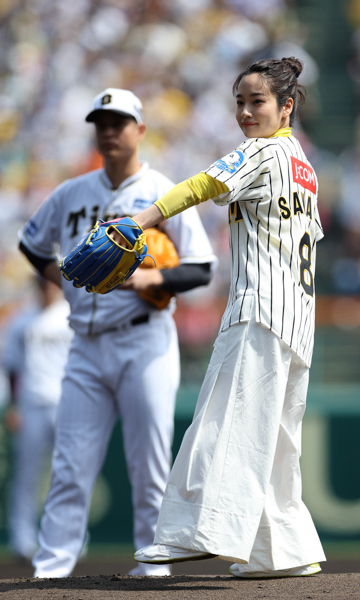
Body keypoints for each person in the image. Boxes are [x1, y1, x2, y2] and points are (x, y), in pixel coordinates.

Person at [119, 58, 326, 578]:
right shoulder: (303, 164)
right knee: (276, 442)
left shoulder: (264, 151)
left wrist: (141, 220)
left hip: (260, 308)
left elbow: (200, 186)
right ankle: (282, 551)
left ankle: (193, 533)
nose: (245, 111)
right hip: (299, 318)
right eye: (239, 102)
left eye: (257, 101)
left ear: (287, 106)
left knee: (223, 420)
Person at [18, 87, 217, 578]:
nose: (108, 131)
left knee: (148, 466)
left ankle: (152, 568)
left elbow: (202, 269)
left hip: (143, 339)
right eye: (101, 123)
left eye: (119, 123)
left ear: (140, 130)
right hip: (83, 346)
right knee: (69, 467)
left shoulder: (160, 192)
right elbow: (31, 244)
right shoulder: (72, 192)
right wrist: (60, 279)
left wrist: (152, 278)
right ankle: (52, 569)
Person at [1, 277, 73, 562]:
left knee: (69, 474)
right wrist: (13, 406)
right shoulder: (21, 319)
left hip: (66, 403)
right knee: (26, 474)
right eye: (43, 282)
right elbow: (11, 368)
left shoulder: (72, 314)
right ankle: (23, 540)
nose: (47, 287)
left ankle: (68, 539)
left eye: (51, 282)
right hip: (31, 403)